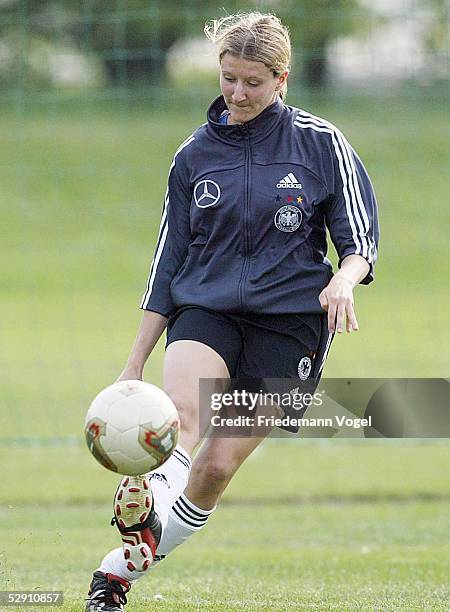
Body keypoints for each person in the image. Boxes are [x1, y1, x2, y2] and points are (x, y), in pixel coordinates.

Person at [85, 11, 379, 610]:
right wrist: (132, 363)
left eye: (252, 82)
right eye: (228, 79)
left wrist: (345, 280)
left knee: (217, 466)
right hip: (206, 309)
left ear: (282, 79)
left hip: (291, 325)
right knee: (184, 423)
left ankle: (119, 568)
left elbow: (360, 242)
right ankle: (145, 502)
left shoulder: (323, 144)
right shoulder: (193, 154)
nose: (238, 94)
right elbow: (168, 262)